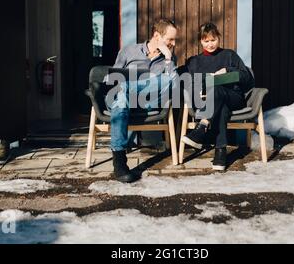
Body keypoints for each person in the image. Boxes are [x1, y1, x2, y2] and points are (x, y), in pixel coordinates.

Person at [106, 19, 178, 183]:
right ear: (156, 35)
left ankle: (129, 88)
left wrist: (168, 57)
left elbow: (172, 86)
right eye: (170, 39)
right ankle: (119, 162)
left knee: (168, 80)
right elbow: (111, 79)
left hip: (148, 103)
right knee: (122, 95)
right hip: (123, 101)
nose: (173, 43)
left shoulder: (168, 58)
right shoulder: (129, 51)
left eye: (174, 40)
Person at [182, 22, 255, 171]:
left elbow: (248, 78)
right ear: (201, 41)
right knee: (220, 105)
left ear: (219, 38)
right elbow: (185, 81)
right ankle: (220, 152)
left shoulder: (229, 55)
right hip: (209, 101)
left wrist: (227, 71)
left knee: (216, 90)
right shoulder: (194, 62)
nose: (210, 44)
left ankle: (202, 126)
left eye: (213, 40)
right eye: (206, 41)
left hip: (234, 97)